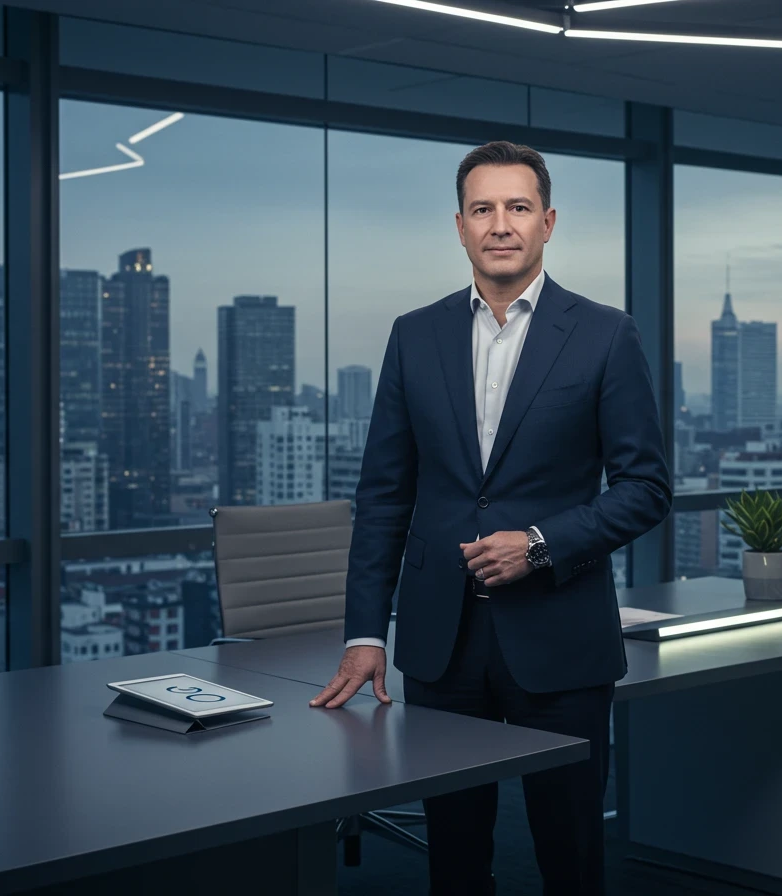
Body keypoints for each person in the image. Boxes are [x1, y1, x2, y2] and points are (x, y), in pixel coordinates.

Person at [310, 140, 671, 895]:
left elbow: (644, 487)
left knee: (570, 856)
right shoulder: (415, 334)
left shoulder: (606, 335)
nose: (499, 224)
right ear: (460, 225)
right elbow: (384, 495)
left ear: (547, 222)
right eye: (483, 208)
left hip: (561, 641)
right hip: (442, 644)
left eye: (517, 207)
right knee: (455, 858)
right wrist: (367, 632)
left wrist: (541, 544)